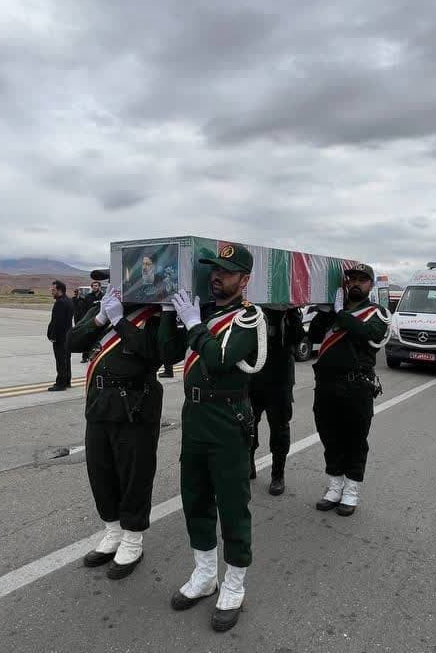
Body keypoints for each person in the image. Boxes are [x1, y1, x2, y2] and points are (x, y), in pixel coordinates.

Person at [159, 243, 266, 633]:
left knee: (233, 503)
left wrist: (192, 323)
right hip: (196, 415)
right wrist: (169, 316)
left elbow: (221, 360)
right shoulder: (202, 315)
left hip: (228, 418)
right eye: (213, 270)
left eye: (226, 271)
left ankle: (234, 584)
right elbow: (167, 354)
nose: (216, 276)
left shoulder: (250, 318)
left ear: (244, 279)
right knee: (196, 497)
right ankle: (205, 575)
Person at [69, 288, 164, 579]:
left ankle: (133, 539)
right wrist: (99, 318)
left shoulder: (155, 313)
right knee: (101, 472)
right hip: (99, 403)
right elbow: (72, 342)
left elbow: (155, 354)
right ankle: (112, 531)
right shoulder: (104, 307)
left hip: (135, 405)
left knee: (134, 474)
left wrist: (121, 322)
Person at [308, 263, 389, 517]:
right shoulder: (334, 311)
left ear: (370, 285)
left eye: (361, 280)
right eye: (351, 279)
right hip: (326, 384)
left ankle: (351, 490)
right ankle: (334, 487)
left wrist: (340, 313)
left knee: (355, 439)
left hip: (357, 385)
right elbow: (313, 335)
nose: (355, 283)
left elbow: (367, 334)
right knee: (329, 436)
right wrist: (323, 312)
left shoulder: (378, 313)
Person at [249, 306, 303, 496]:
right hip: (253, 374)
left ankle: (277, 475)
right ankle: (249, 463)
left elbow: (297, 338)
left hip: (279, 377)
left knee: (279, 428)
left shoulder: (289, 310)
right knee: (248, 424)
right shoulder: (251, 305)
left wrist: (292, 311)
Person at [48, 280, 74, 391]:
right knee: (66, 359)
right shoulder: (68, 301)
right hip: (67, 335)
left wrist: (53, 336)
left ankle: (60, 384)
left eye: (53, 290)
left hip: (60, 337)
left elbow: (57, 322)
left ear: (59, 290)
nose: (51, 292)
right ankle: (67, 380)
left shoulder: (60, 303)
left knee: (61, 360)